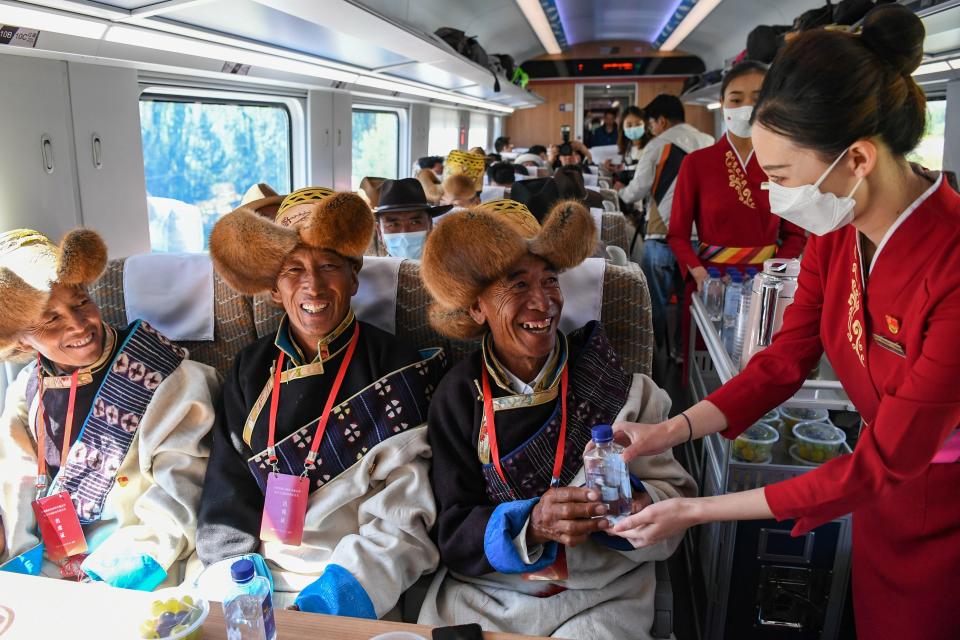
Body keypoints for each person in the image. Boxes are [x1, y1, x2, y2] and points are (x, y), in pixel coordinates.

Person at [611, 8, 960, 639]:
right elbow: (782, 361)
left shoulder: (953, 265)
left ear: (855, 159)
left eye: (779, 177)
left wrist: (695, 510)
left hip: (945, 511)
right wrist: (669, 432)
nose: (774, 199)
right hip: (881, 499)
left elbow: (886, 459)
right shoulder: (838, 233)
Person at [416, 199, 696, 638]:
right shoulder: (456, 396)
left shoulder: (619, 385)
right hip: (488, 593)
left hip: (602, 592)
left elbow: (674, 493)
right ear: (477, 308)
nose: (543, 302)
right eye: (517, 285)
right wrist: (533, 523)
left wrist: (642, 504)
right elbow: (451, 527)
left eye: (550, 281)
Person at [197, 189, 444, 616]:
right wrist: (233, 574)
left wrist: (337, 598)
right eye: (293, 269)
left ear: (353, 278)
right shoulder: (250, 368)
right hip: (258, 571)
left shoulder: (395, 364)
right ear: (275, 290)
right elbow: (227, 484)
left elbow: (405, 516)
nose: (313, 284)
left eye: (329, 265)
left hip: (358, 576)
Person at [0, 228, 218, 589]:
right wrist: (27, 575)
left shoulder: (172, 381)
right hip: (50, 567)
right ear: (22, 337)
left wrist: (104, 581)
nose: (77, 324)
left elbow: (176, 508)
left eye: (81, 302)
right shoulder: (27, 388)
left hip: (138, 565)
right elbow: (17, 489)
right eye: (50, 319)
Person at [668, 61, 807, 373]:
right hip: (711, 283)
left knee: (758, 368)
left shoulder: (785, 162)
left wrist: (773, 277)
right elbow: (677, 235)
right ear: (722, 106)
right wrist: (700, 275)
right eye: (736, 99)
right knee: (706, 369)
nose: (746, 107)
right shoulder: (697, 163)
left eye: (757, 98)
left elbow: (796, 235)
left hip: (766, 285)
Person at [618, 94, 714, 360]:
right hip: (698, 239)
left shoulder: (657, 145)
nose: (650, 128)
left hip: (661, 236)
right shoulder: (708, 142)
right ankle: (682, 353)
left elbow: (637, 190)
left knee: (655, 301)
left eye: (651, 123)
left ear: (661, 121)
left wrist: (620, 196)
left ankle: (655, 354)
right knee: (688, 301)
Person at [373, 178, 452, 260]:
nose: (405, 233)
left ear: (430, 225)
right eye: (393, 225)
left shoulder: (451, 269)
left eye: (415, 222)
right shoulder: (369, 272)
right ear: (379, 232)